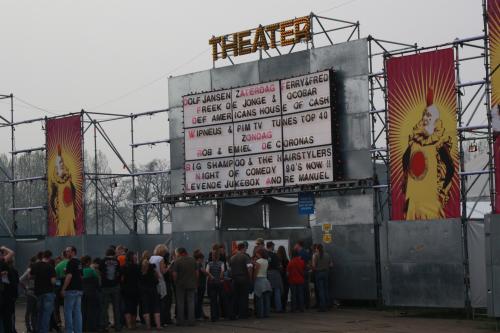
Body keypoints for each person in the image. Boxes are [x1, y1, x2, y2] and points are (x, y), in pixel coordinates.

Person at [402, 87, 455, 220]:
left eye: (429, 115)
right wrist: (407, 181)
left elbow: (450, 167)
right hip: (414, 199)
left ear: (435, 120)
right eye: (424, 114)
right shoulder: (415, 142)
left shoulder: (438, 143)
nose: (425, 118)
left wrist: (441, 190)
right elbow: (405, 159)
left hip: (431, 200)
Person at [49, 144, 77, 236]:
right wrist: (55, 213)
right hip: (61, 216)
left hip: (70, 215)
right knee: (63, 231)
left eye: (62, 162)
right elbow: (52, 200)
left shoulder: (69, 180)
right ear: (56, 168)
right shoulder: (55, 182)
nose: (62, 165)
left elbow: (73, 197)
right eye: (59, 163)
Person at [31, 250, 56, 333]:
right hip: (48, 292)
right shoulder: (50, 267)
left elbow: (30, 276)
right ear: (50, 257)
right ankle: (44, 331)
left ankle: (38, 330)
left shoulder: (35, 265)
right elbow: (53, 281)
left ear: (43, 256)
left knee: (39, 313)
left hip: (38, 292)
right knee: (46, 315)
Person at [171, 248, 198, 326]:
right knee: (191, 302)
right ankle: (191, 321)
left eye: (177, 254)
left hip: (180, 285)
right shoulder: (193, 260)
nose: (177, 255)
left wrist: (175, 282)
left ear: (181, 253)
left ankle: (180, 321)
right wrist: (196, 282)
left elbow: (174, 274)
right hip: (192, 284)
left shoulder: (177, 261)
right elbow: (197, 273)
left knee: (180, 303)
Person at [60, 246, 83, 333]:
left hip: (71, 291)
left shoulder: (70, 262)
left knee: (68, 312)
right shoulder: (79, 262)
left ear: (73, 252)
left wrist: (63, 289)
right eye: (66, 251)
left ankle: (69, 331)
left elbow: (69, 276)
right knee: (78, 313)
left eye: (68, 251)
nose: (66, 253)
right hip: (79, 290)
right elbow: (81, 276)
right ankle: (78, 331)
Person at [99, 248, 122, 331]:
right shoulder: (117, 261)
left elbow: (100, 272)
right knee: (116, 307)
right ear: (113, 253)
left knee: (104, 307)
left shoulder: (102, 261)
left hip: (105, 287)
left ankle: (105, 326)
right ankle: (118, 326)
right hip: (115, 286)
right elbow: (119, 273)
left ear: (106, 253)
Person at [229, 243, 252, 319]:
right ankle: (242, 314)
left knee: (235, 297)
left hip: (234, 280)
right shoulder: (245, 257)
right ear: (243, 248)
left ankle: (234, 314)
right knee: (244, 297)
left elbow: (230, 270)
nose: (246, 249)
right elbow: (249, 268)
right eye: (245, 248)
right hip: (244, 279)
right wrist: (250, 278)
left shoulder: (232, 258)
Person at [138, 253, 161, 330]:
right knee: (156, 308)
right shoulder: (152, 267)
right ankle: (158, 325)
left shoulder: (140, 270)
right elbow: (158, 277)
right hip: (153, 290)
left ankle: (148, 326)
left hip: (144, 291)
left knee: (146, 308)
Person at [121, 251, 140, 330]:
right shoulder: (136, 266)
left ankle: (128, 325)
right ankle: (134, 324)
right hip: (135, 289)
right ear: (132, 257)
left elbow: (122, 279)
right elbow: (139, 278)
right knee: (134, 307)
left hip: (126, 289)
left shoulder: (123, 267)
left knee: (127, 307)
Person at [81, 255, 99, 332]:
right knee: (92, 311)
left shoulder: (80, 270)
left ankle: (83, 327)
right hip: (91, 292)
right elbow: (97, 281)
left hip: (82, 293)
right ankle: (91, 327)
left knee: (82, 310)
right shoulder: (92, 271)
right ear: (88, 262)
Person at [206, 245, 224, 322]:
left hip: (212, 283)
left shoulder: (209, 264)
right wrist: (220, 277)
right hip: (219, 283)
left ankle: (213, 316)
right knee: (219, 298)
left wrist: (211, 276)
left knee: (213, 300)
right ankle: (219, 315)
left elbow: (207, 271)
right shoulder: (221, 263)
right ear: (219, 256)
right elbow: (222, 271)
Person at [20, 256, 38, 333]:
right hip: (31, 293)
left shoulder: (37, 270)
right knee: (29, 311)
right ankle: (28, 328)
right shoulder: (29, 270)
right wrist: (26, 288)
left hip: (37, 293)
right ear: (33, 262)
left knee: (35, 312)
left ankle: (34, 328)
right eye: (36, 261)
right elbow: (21, 279)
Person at [312, 244, 332, 312]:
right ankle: (328, 305)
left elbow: (314, 266)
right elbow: (331, 264)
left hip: (319, 273)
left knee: (321, 290)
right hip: (326, 273)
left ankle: (322, 307)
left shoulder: (315, 255)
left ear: (317, 249)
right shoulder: (327, 255)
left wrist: (314, 268)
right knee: (326, 289)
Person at [253, 249, 272, 318]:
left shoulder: (258, 261)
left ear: (259, 254)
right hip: (265, 280)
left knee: (259, 298)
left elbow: (256, 272)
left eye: (257, 253)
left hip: (259, 280)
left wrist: (253, 279)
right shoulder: (266, 261)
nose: (256, 254)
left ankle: (260, 314)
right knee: (266, 299)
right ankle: (267, 314)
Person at [265, 241, 283, 312]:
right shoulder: (275, 255)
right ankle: (279, 308)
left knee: (268, 293)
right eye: (273, 246)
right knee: (277, 291)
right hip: (275, 273)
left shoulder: (264, 254)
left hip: (266, 274)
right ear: (271, 246)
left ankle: (267, 308)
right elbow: (278, 265)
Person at [193, 250, 208, 321]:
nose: (203, 260)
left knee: (198, 300)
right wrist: (208, 274)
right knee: (199, 301)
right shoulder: (199, 264)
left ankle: (200, 314)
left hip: (198, 284)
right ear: (199, 258)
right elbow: (203, 272)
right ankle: (198, 316)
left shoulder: (194, 263)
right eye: (202, 258)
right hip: (200, 285)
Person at [276, 246, 289, 312]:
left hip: (279, 277)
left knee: (278, 292)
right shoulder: (286, 260)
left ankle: (278, 306)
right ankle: (284, 306)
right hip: (285, 278)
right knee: (285, 292)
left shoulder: (277, 259)